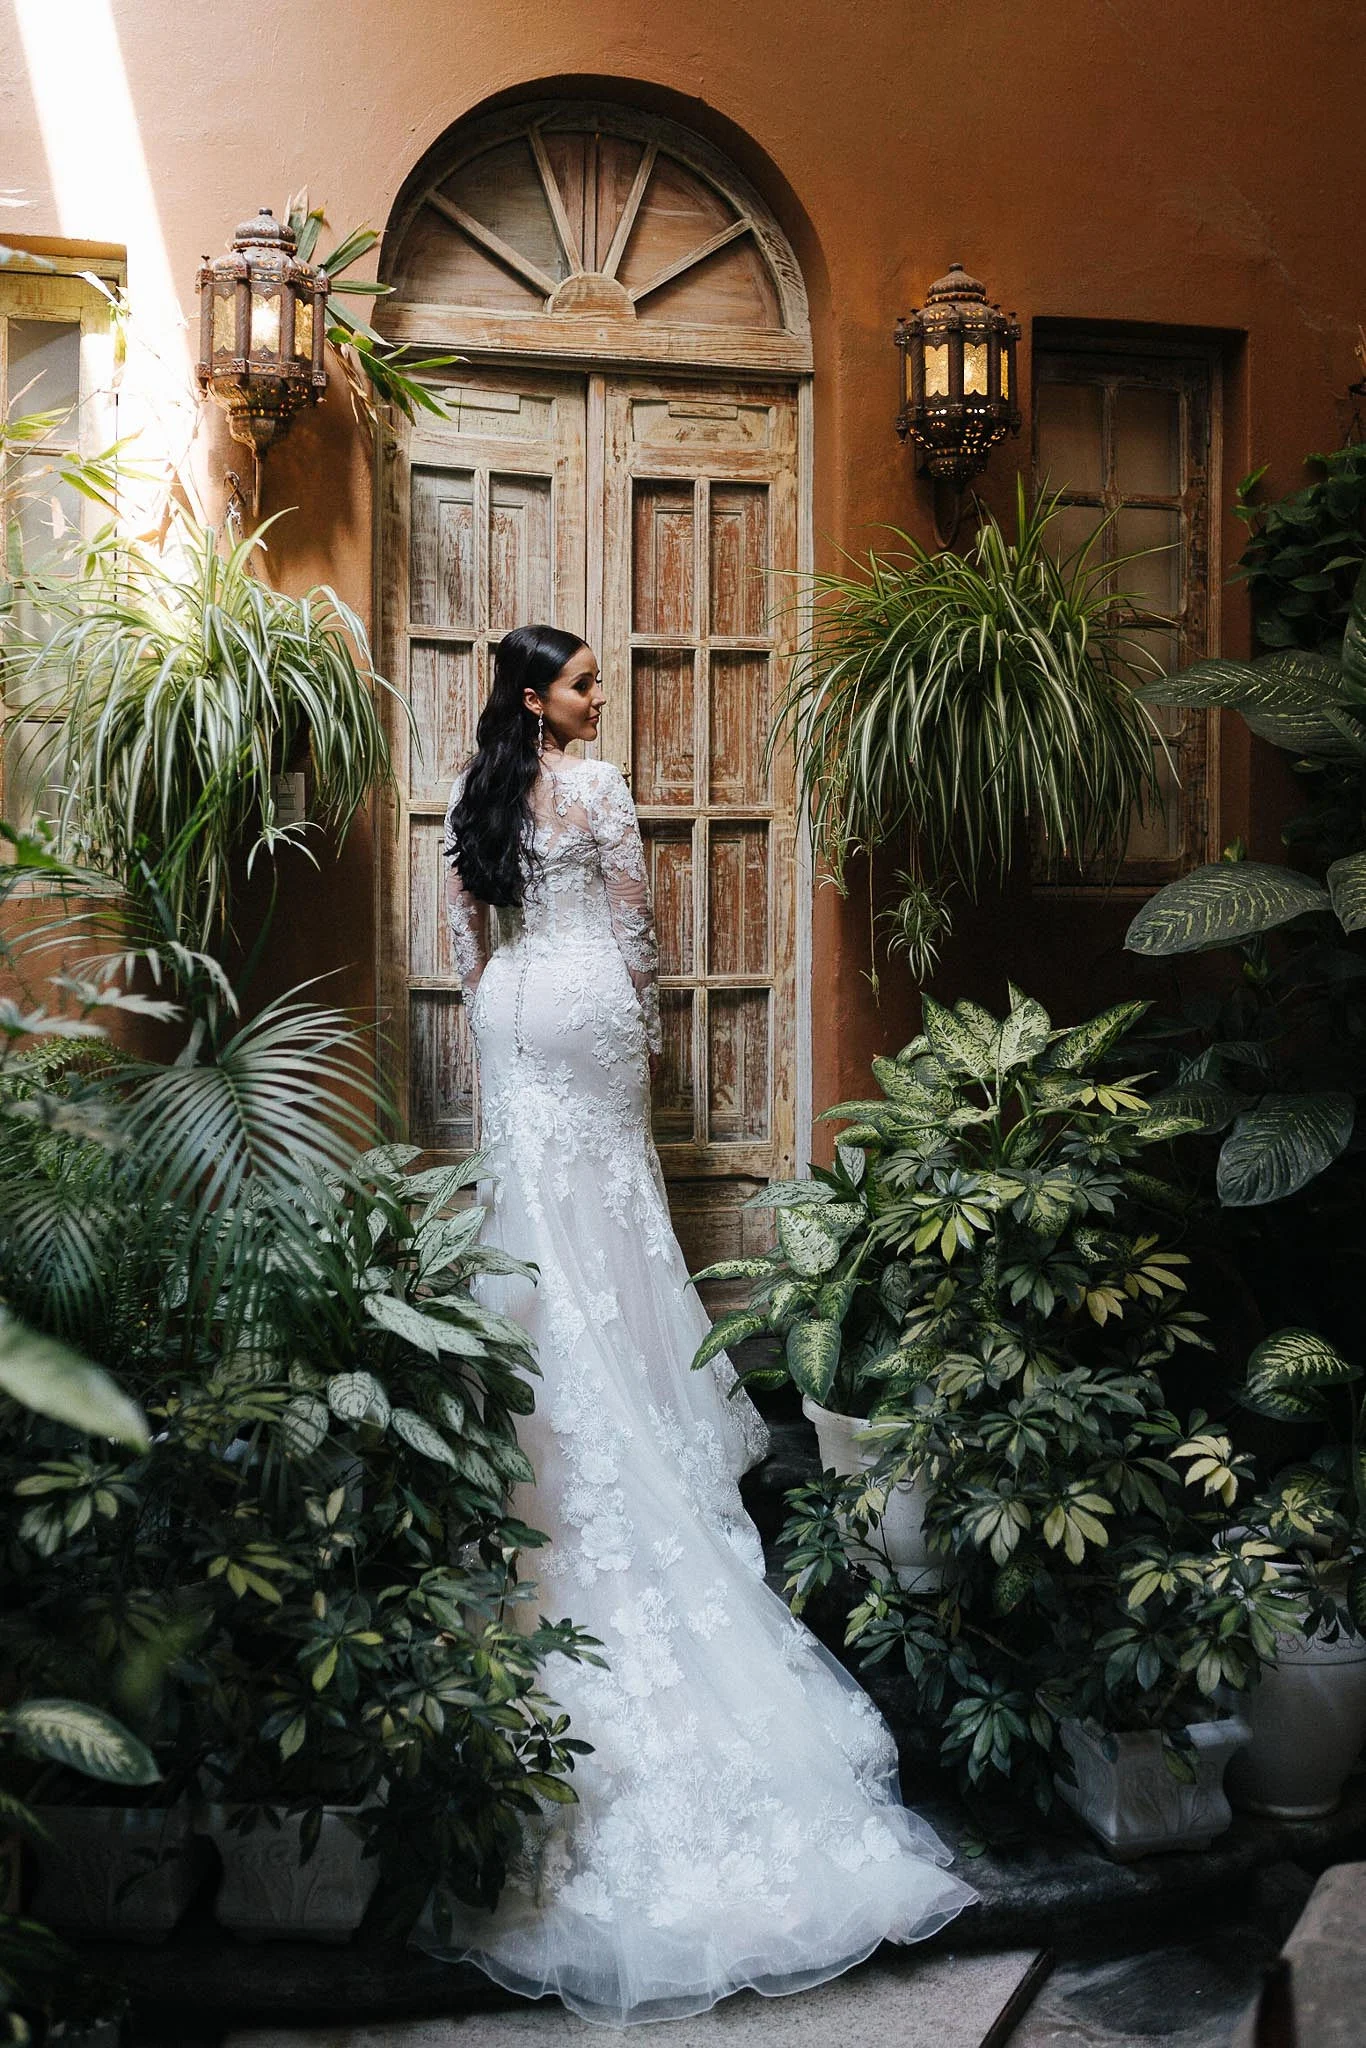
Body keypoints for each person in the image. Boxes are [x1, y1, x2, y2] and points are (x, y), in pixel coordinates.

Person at [415, 623, 975, 2027]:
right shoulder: (595, 789)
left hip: (512, 1014)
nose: (601, 698)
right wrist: (645, 1020)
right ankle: (627, 1414)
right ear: (543, 698)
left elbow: (461, 938)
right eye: (586, 681)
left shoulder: (472, 787)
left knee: (531, 1222)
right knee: (607, 1218)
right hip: (586, 1008)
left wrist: (503, 1001)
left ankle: (552, 1437)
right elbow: (638, 924)